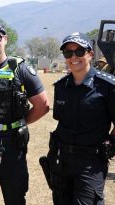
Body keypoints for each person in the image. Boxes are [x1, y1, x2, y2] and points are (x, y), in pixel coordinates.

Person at [0, 20, 49, 205]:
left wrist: (20, 123)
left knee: (14, 197)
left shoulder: (21, 68)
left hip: (11, 145)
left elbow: (43, 105)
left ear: (5, 39)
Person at [46, 32, 115, 204]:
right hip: (61, 161)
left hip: (90, 164)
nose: (73, 57)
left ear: (90, 54)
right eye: (68, 53)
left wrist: (110, 145)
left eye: (79, 51)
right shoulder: (61, 86)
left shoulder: (107, 85)